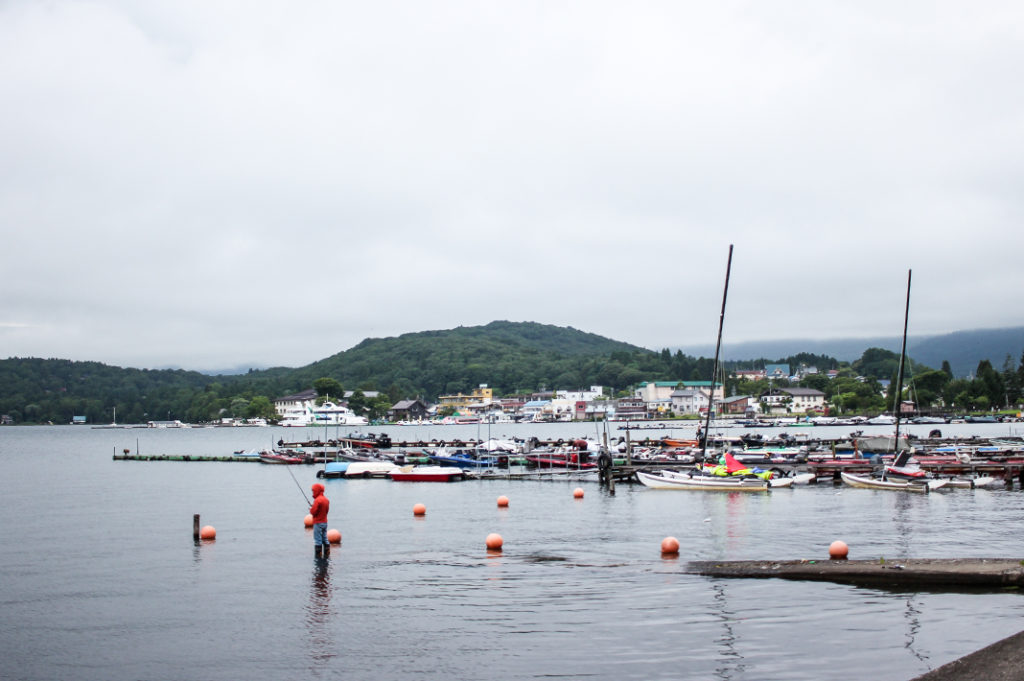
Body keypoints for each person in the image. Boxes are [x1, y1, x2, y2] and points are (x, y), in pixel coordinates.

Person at [310, 483, 330, 558]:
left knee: (317, 539)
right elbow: (326, 511)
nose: (313, 492)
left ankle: (318, 555)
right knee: (325, 537)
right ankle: (327, 552)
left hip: (317, 523)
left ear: (316, 490)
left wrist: (311, 510)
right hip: (325, 522)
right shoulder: (326, 500)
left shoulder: (317, 500)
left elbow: (313, 512)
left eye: (313, 491)